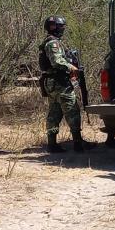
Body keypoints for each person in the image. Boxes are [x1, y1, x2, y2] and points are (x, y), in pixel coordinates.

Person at [39, 16, 96, 153]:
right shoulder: (53, 43)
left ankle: (52, 144)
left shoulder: (48, 41)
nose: (62, 29)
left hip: (51, 82)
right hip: (59, 82)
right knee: (72, 110)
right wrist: (72, 68)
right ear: (54, 27)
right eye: (61, 27)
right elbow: (57, 61)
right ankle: (78, 143)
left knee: (54, 112)